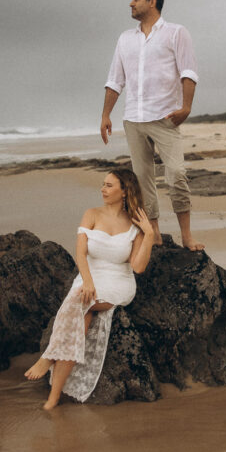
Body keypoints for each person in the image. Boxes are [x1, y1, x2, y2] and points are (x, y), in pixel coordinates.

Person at [24, 169, 154, 410]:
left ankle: (48, 358)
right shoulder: (91, 214)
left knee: (79, 305)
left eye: (109, 185)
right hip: (89, 276)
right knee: (80, 314)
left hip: (118, 282)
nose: (102, 189)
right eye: (103, 184)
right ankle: (53, 397)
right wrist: (88, 281)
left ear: (124, 191)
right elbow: (80, 253)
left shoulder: (134, 224)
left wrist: (149, 234)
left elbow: (138, 267)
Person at [100, 0, 204, 251]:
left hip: (165, 117)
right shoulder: (125, 39)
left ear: (152, 1)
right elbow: (115, 80)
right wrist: (106, 114)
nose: (131, 3)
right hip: (133, 118)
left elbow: (189, 72)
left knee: (177, 174)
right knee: (143, 180)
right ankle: (155, 234)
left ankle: (187, 236)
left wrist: (186, 107)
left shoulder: (176, 33)